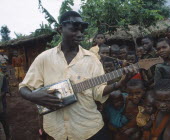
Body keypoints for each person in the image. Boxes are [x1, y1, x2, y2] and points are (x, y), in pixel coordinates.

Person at [19, 11, 137, 140]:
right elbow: (24, 87)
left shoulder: (92, 59)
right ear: (60, 29)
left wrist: (119, 84)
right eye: (74, 30)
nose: (80, 34)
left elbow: (98, 92)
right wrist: (32, 96)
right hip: (56, 131)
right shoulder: (44, 58)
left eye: (81, 31)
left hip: (89, 129)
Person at [0, 70, 10, 140]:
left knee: (4, 121)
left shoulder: (2, 77)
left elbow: (5, 90)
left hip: (1, 106)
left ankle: (8, 136)